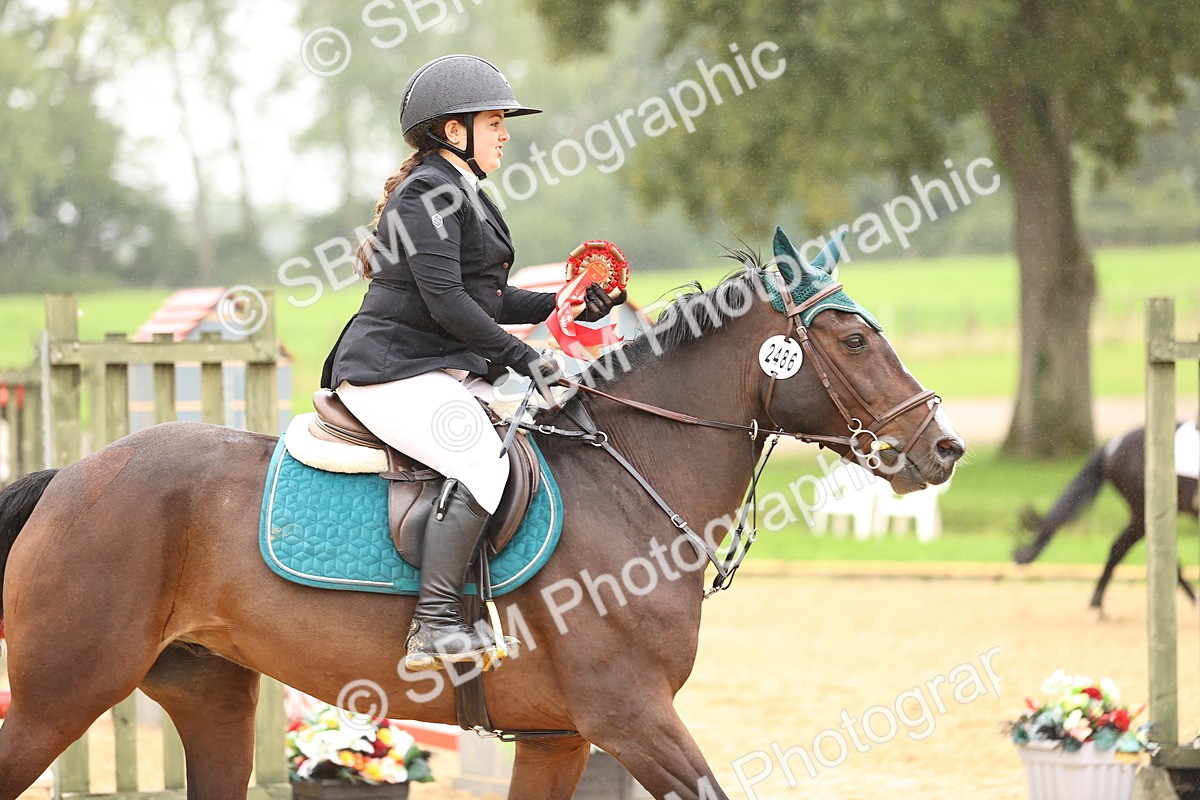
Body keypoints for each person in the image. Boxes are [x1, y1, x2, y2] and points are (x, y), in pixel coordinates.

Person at [320, 54, 625, 672]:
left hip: (430, 368)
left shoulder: (461, 191)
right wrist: (528, 358)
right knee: (481, 460)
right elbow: (448, 303)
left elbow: (488, 298)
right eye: (494, 123)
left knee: (535, 439)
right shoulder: (428, 194)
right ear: (453, 130)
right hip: (391, 371)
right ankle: (434, 624)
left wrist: (568, 301)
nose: (506, 135)